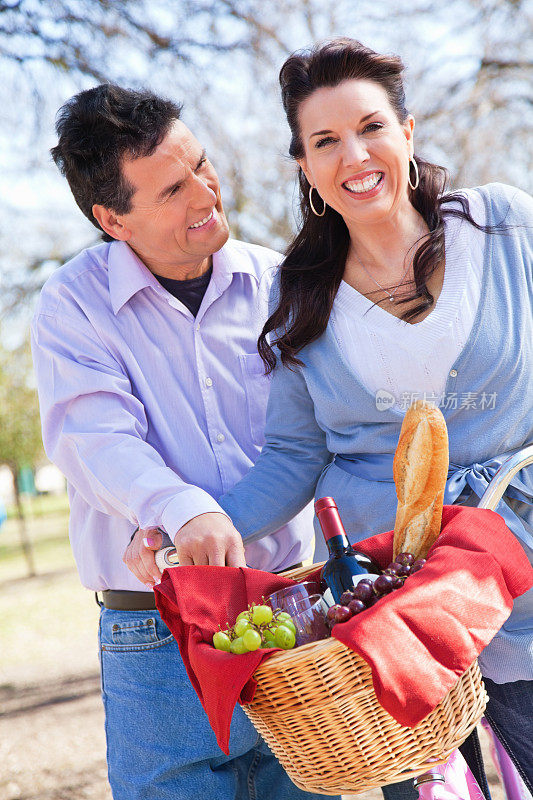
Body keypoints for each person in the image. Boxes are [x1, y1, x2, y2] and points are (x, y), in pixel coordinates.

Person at [141, 39, 531, 796]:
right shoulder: (302, 296)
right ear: (305, 167)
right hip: (384, 607)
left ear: (407, 133)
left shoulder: (504, 227)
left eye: (370, 127)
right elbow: (291, 457)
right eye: (324, 141)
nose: (353, 154)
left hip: (519, 572)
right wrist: (183, 526)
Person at [30, 83, 331, 800]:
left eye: (201, 165)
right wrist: (174, 508)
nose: (205, 195)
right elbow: (95, 435)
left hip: (288, 617)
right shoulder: (73, 306)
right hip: (156, 639)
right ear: (112, 218)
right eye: (172, 188)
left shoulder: (279, 285)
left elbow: (317, 437)